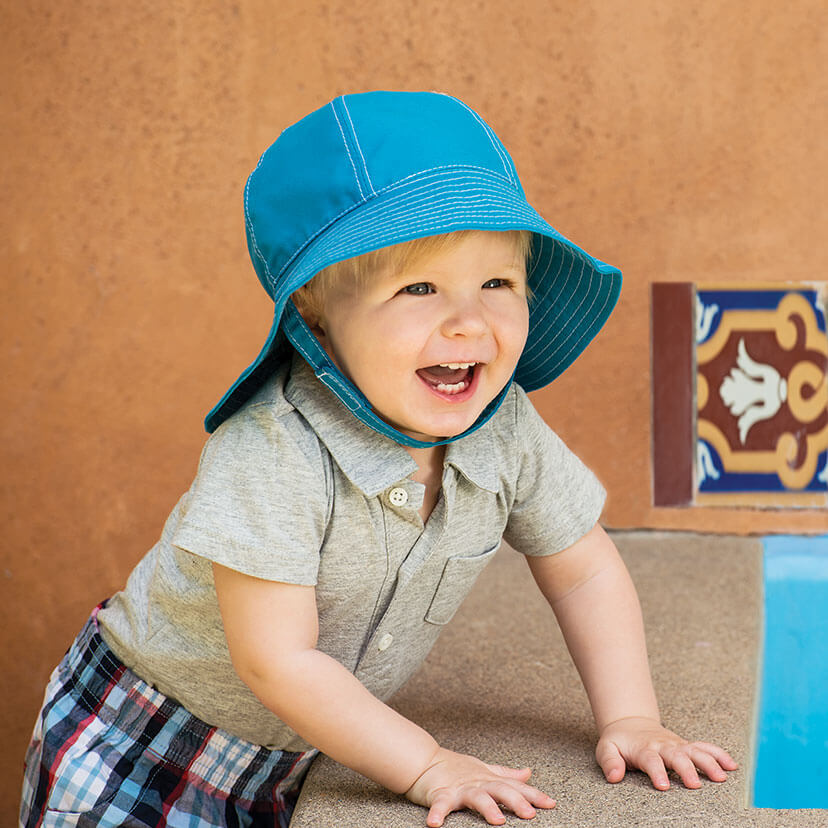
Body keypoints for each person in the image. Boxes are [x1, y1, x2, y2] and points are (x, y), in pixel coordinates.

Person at [20, 91, 737, 828]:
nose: (468, 322)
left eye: (498, 283)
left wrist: (632, 719)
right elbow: (278, 662)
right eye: (418, 287)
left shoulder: (505, 428)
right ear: (315, 314)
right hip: (146, 740)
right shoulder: (275, 448)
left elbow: (583, 569)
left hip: (307, 753)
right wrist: (425, 763)